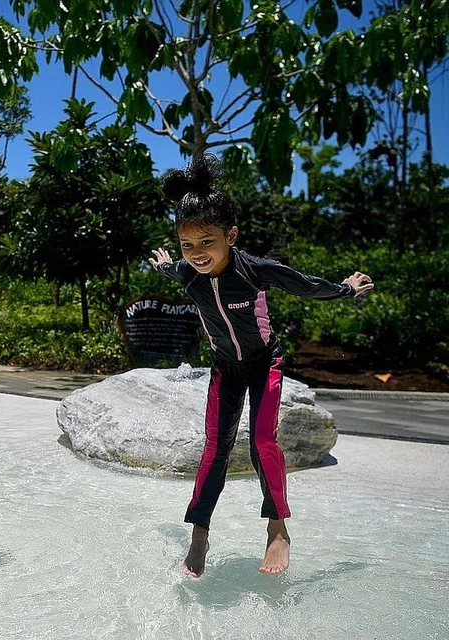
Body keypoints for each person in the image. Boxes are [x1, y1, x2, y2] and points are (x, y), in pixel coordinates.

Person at [149, 155, 373, 578]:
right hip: (225, 368)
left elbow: (304, 284)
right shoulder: (186, 273)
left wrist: (346, 289)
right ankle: (199, 534)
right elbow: (170, 270)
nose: (197, 254)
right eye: (187, 245)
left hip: (264, 363)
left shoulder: (254, 270)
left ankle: (277, 529)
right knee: (214, 448)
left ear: (231, 235)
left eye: (207, 241)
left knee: (262, 443)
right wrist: (164, 263)